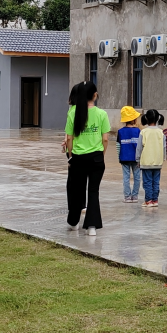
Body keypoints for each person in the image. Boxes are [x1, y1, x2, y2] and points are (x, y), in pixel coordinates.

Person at [62, 81, 110, 236]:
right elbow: (105, 139)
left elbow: (69, 138)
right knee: (93, 191)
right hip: (96, 157)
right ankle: (92, 227)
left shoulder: (72, 113)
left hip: (78, 158)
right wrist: (101, 155)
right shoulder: (102, 114)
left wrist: (70, 156)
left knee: (77, 190)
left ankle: (74, 222)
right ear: (95, 95)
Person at [138, 108, 165, 207]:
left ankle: (148, 200)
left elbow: (139, 147)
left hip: (146, 161)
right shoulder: (161, 132)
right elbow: (164, 147)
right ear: (158, 119)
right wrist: (163, 158)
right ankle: (155, 200)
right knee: (156, 182)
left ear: (146, 118)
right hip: (158, 161)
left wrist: (137, 159)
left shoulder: (143, 132)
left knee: (147, 182)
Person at [116, 106, 141, 202]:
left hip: (124, 157)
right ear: (133, 119)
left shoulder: (120, 131)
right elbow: (140, 146)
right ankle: (135, 196)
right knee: (137, 177)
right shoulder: (138, 131)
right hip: (136, 158)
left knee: (126, 178)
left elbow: (118, 146)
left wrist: (119, 157)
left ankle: (127, 197)